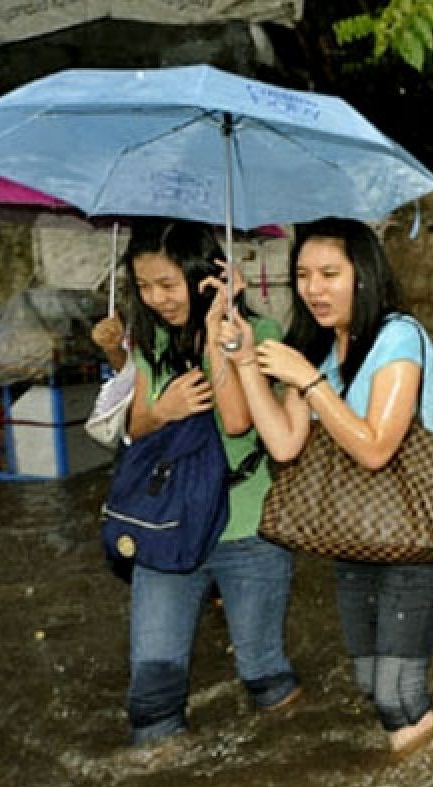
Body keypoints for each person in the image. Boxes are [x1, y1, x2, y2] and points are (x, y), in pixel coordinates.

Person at [223, 218, 433, 756]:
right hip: (353, 533)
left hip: (413, 538)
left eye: (330, 273)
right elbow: (283, 444)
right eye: (303, 275)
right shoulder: (321, 345)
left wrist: (308, 379)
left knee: (399, 692)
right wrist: (244, 364)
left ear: (364, 275)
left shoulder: (399, 336)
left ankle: (425, 772)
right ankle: (421, 758)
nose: (313, 288)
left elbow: (377, 447)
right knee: (373, 683)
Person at [122, 219, 300, 746]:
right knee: (151, 692)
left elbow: (238, 423)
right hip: (167, 528)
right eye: (144, 285)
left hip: (247, 525)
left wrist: (217, 332)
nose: (155, 299)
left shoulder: (257, 334)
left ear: (203, 276)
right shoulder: (149, 339)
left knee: (263, 674)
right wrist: (162, 410)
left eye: (168, 284)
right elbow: (133, 427)